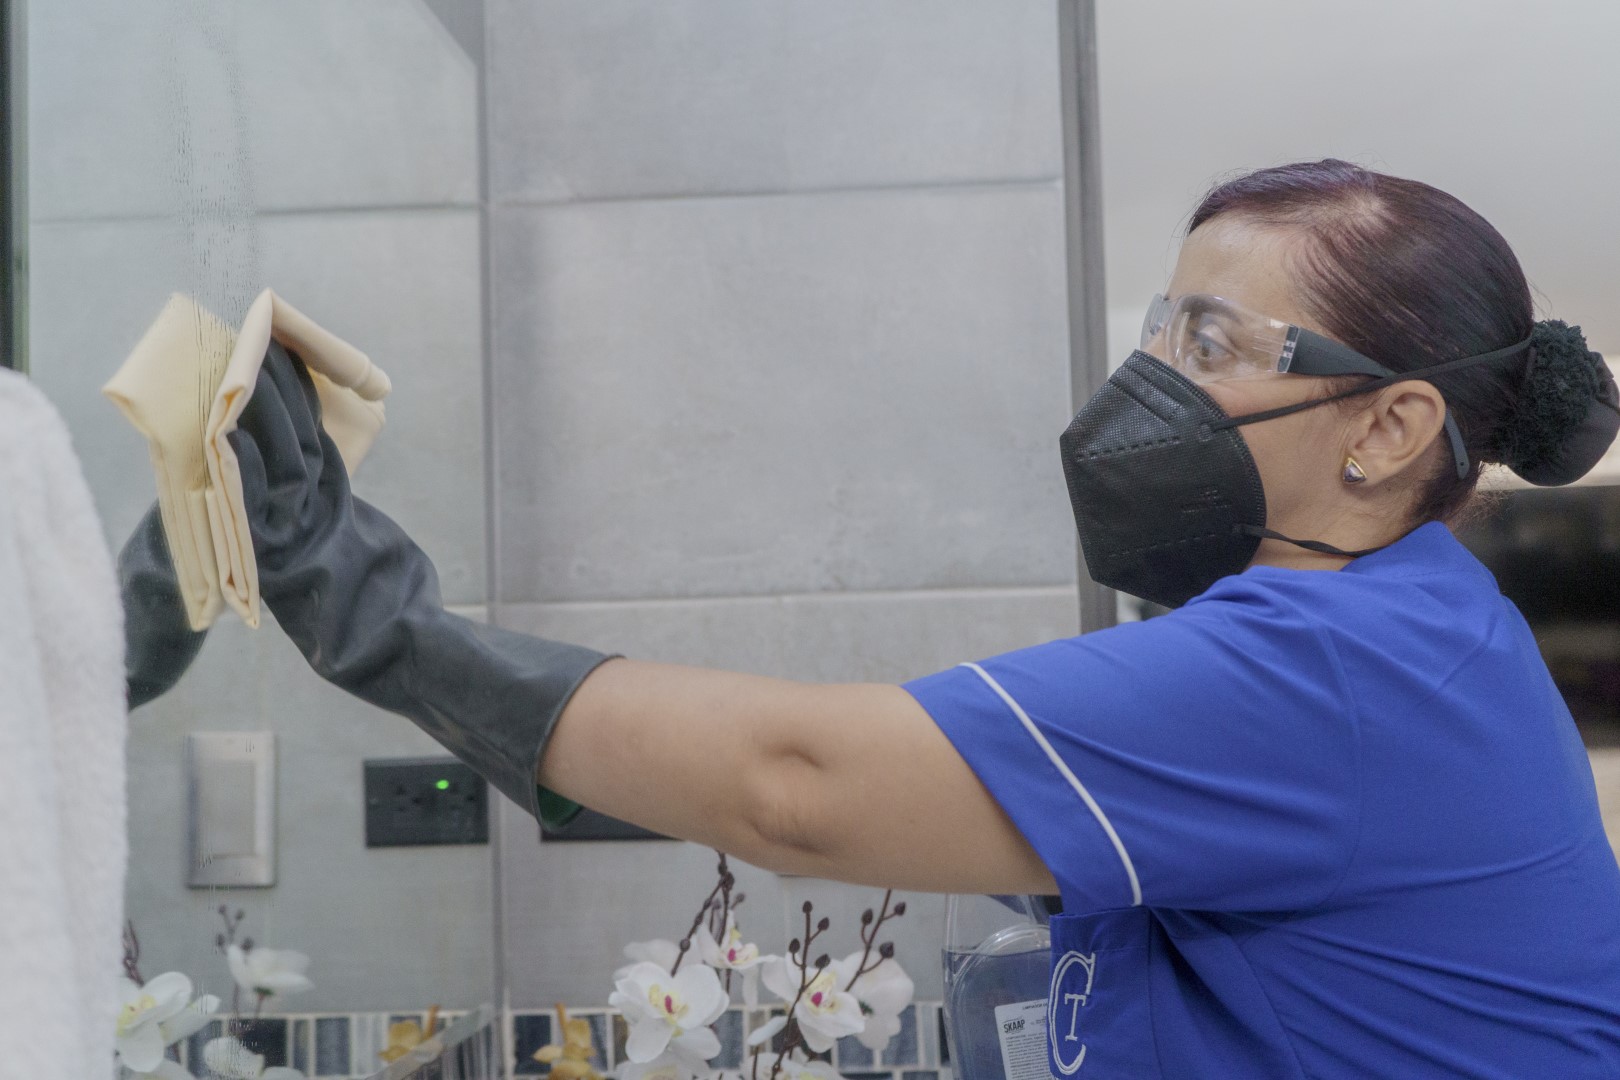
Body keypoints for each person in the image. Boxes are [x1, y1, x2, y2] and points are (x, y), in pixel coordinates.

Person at [154, 160, 1620, 1077]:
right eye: (1159, 329)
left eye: (1213, 342)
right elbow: (895, 782)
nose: (1154, 378)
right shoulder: (1409, 633)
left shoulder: (1331, 667)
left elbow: (801, 788)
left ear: (1387, 427)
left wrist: (371, 612)